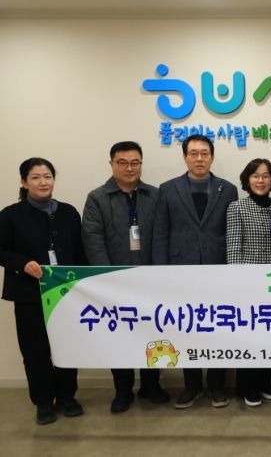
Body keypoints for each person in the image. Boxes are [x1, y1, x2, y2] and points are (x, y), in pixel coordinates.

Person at [82, 141, 170, 413]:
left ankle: (151, 385)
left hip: (149, 279)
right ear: (111, 164)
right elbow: (93, 240)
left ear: (141, 164)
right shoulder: (97, 198)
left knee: (153, 331)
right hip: (114, 281)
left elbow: (162, 235)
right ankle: (122, 389)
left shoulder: (155, 195)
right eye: (122, 162)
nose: (129, 168)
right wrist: (108, 278)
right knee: (118, 335)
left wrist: (159, 274)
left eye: (135, 162)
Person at [152, 134, 238, 409]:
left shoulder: (228, 189)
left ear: (212, 157)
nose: (199, 158)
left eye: (204, 153)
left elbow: (231, 232)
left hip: (218, 269)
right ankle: (192, 385)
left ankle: (217, 386)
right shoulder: (168, 189)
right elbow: (161, 232)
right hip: (181, 270)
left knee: (218, 328)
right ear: (185, 157)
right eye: (193, 153)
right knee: (186, 327)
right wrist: (160, 272)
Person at [0, 158, 86, 425]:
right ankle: (44, 402)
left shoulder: (69, 212)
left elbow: (80, 252)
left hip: (65, 294)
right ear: (24, 182)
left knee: (67, 346)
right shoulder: (10, 215)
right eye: (35, 177)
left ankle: (67, 397)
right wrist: (22, 264)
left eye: (47, 176)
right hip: (29, 294)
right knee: (35, 350)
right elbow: (2, 251)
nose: (43, 182)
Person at [226, 158, 271, 408]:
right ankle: (247, 386)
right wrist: (237, 283)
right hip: (248, 283)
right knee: (248, 336)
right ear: (247, 180)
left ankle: (265, 382)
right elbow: (233, 248)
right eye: (256, 176)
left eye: (266, 176)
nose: (261, 180)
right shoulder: (236, 207)